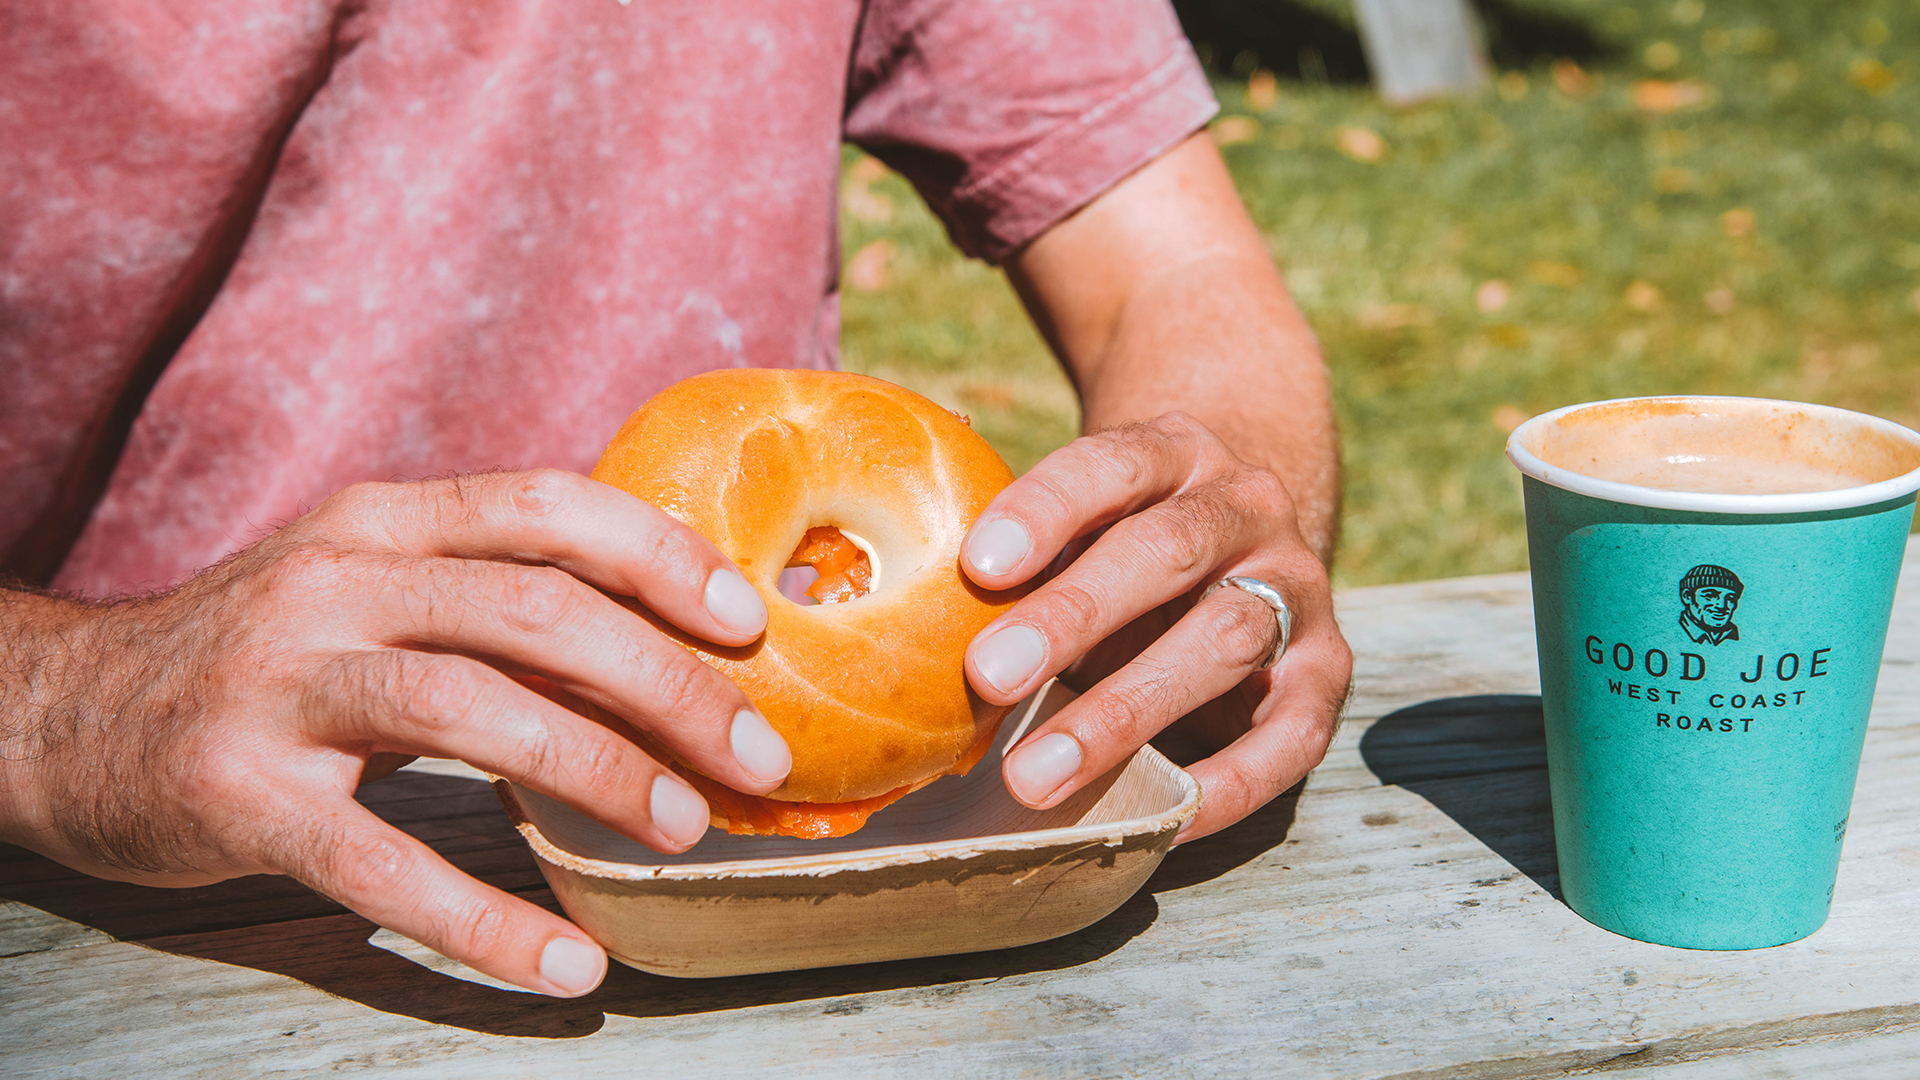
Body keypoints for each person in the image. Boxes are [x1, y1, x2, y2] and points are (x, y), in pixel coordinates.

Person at [0, 0, 1351, 997]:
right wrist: (61, 703)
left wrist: (1206, 540)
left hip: (811, 899)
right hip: (171, 928)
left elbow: (1170, 272)